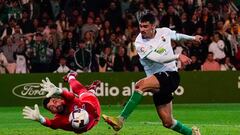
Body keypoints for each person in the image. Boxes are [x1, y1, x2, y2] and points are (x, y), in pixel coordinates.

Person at [102, 13, 202, 135]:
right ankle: (192, 133)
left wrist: (192, 38)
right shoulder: (139, 43)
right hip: (158, 81)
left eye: (145, 26)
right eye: (140, 26)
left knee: (140, 85)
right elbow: (158, 58)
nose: (142, 29)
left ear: (153, 26)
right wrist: (177, 56)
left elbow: (176, 36)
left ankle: (120, 120)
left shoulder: (164, 31)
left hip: (170, 75)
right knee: (168, 122)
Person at [22, 72, 101, 134]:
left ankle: (71, 76)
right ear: (52, 112)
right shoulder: (59, 120)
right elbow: (51, 123)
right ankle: (91, 89)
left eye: (55, 102)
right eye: (52, 107)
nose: (55, 106)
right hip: (89, 125)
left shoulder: (67, 100)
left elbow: (70, 96)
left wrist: (58, 90)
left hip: (92, 107)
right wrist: (40, 119)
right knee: (85, 93)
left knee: (82, 92)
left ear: (59, 99)